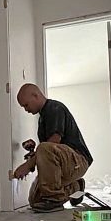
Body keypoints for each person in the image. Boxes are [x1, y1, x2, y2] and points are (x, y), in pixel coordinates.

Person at [13, 83, 93, 212]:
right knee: (35, 200)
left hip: (78, 160)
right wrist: (34, 155)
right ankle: (76, 187)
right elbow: (49, 154)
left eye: (26, 105)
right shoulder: (42, 117)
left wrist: (27, 165)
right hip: (63, 163)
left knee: (44, 148)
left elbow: (53, 143)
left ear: (36, 95)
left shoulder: (54, 108)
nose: (26, 109)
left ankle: (55, 200)